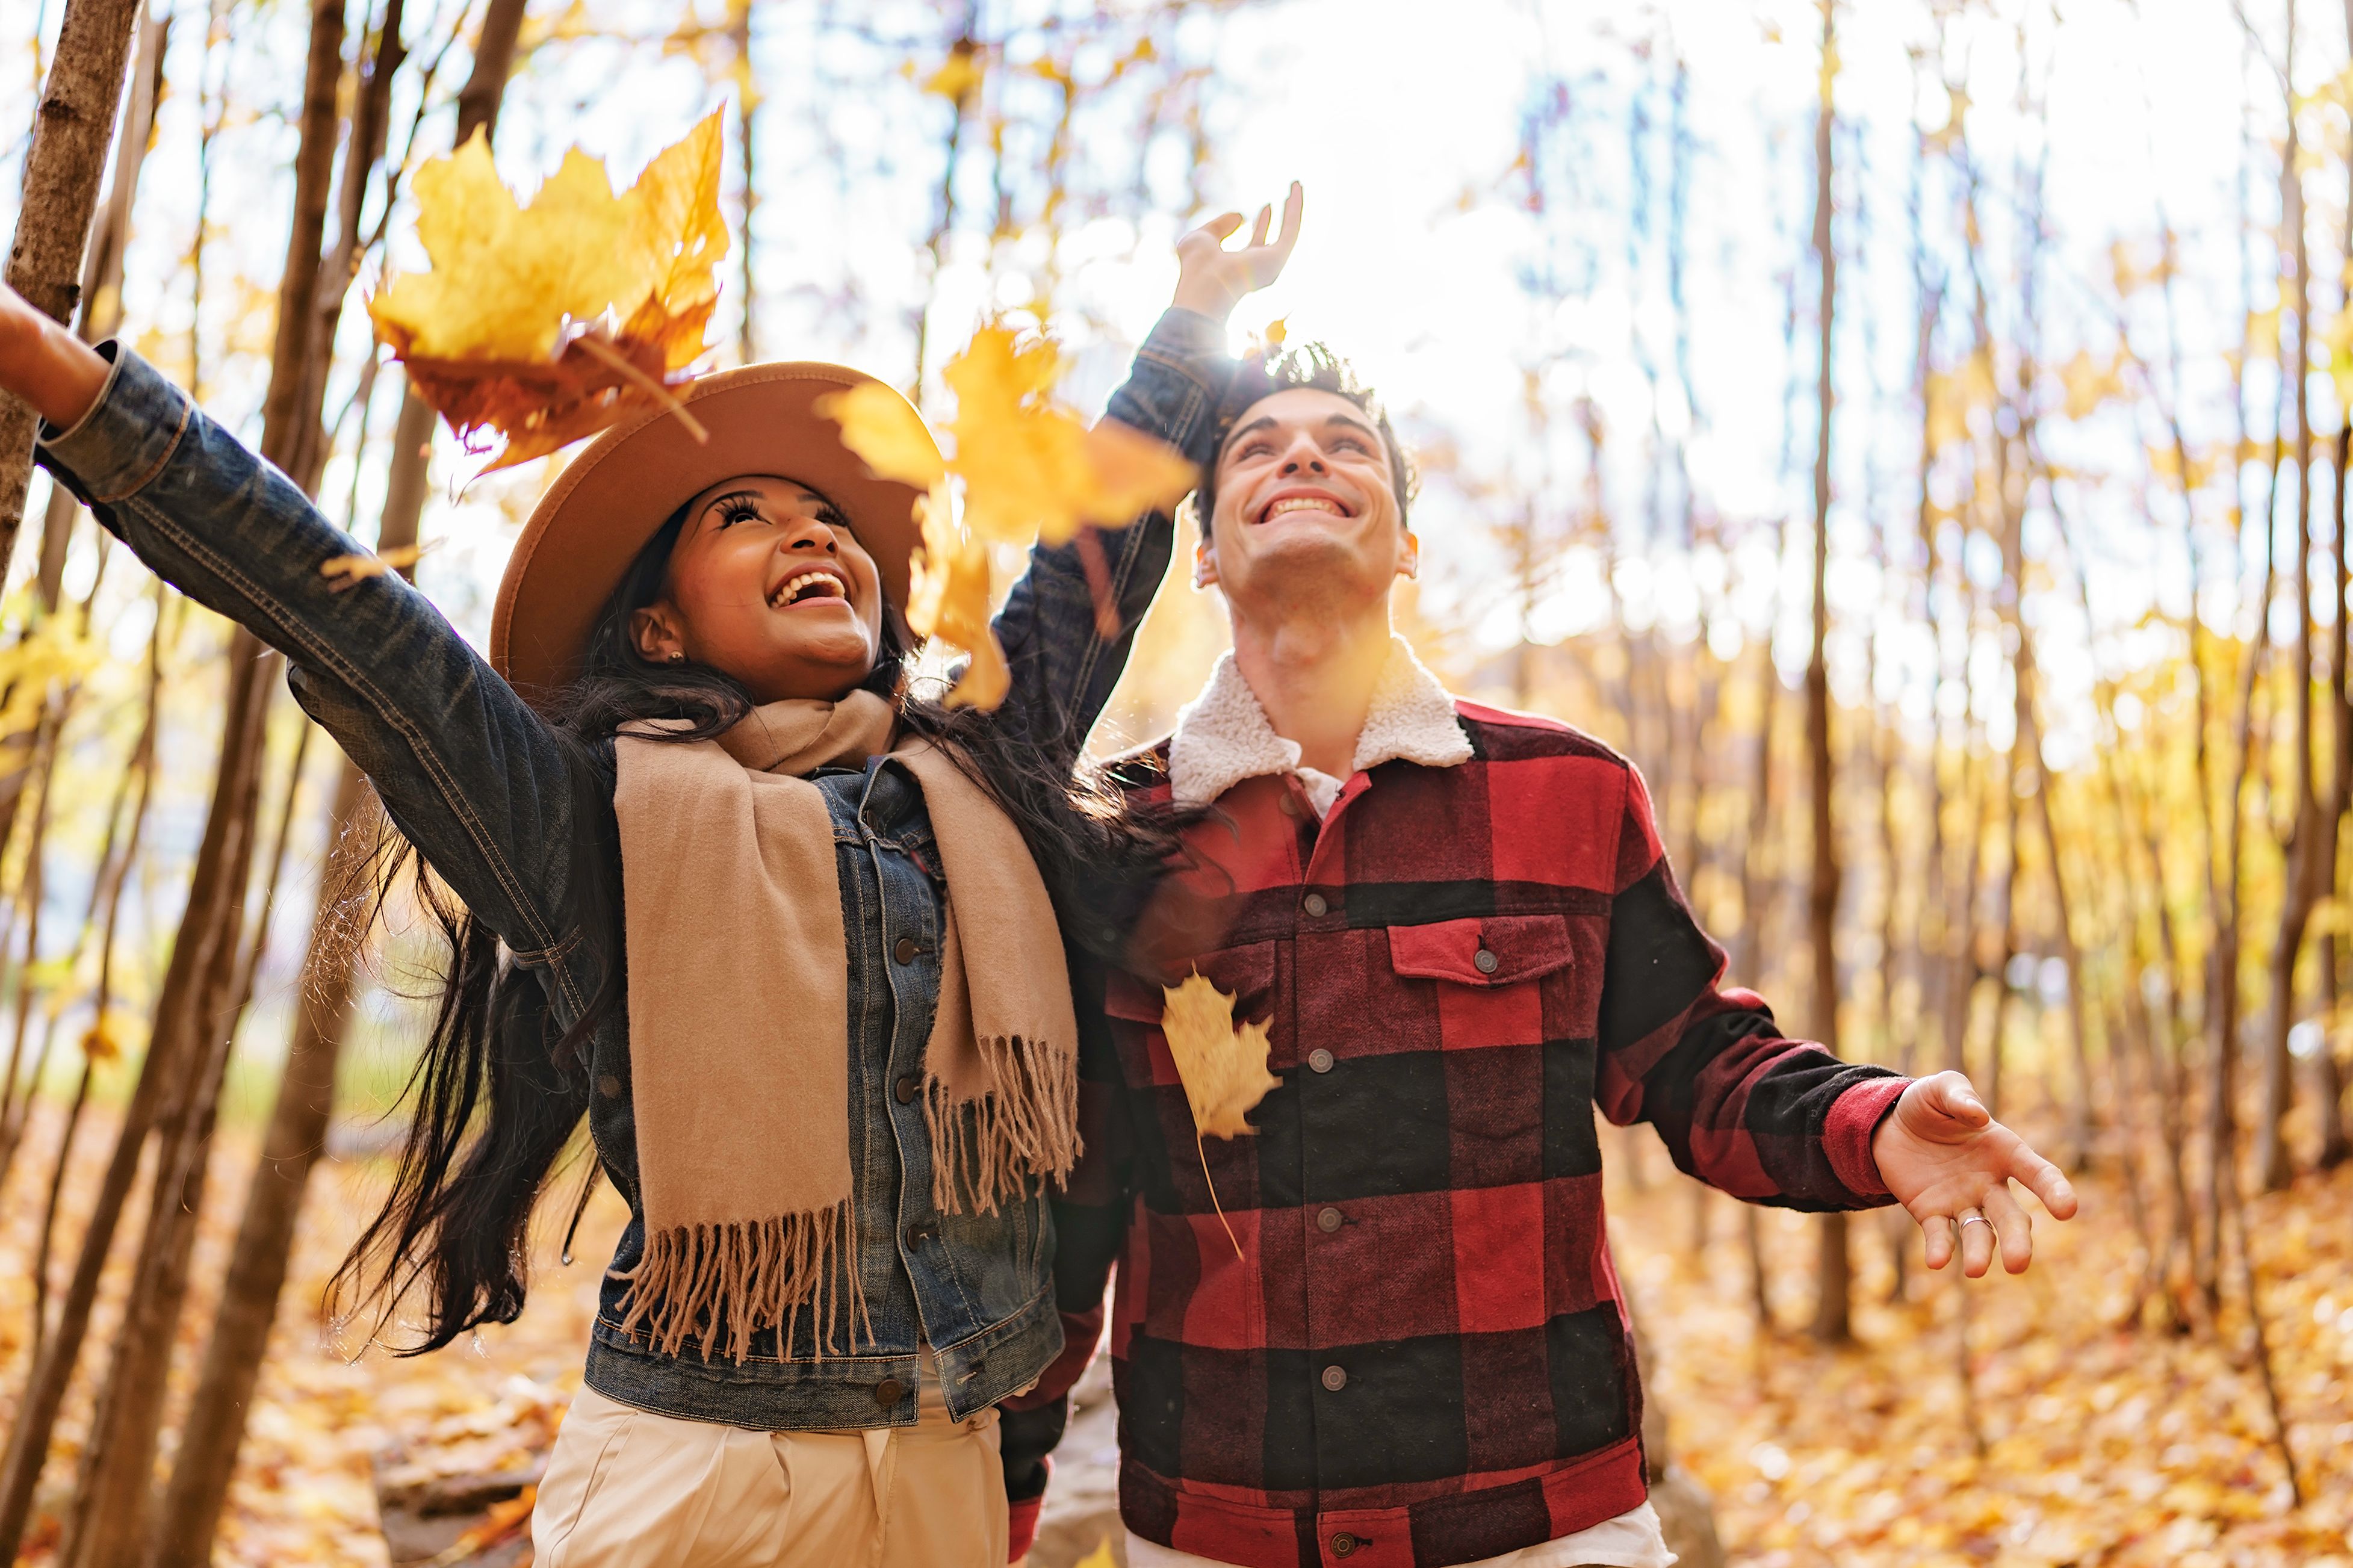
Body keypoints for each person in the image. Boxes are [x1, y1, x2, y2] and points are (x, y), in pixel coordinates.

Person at [0, 184, 1301, 1568]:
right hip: (697, 1479)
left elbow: (1093, 548)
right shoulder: (593, 822)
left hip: (945, 1470)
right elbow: (364, 635)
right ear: (660, 627)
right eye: (746, 514)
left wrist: (1195, 312)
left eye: (831, 518)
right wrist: (66, 382)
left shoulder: (980, 768)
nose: (815, 534)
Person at [999, 342, 2081, 1568]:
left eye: (1345, 445)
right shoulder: (1114, 835)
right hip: (1215, 1531)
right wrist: (1008, 1489)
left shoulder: (1568, 790)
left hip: (1547, 1529)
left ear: (1406, 545)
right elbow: (1068, 1202)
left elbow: (1698, 1060)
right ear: (1200, 551)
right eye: (1258, 447)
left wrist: (1869, 1123)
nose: (1302, 456)